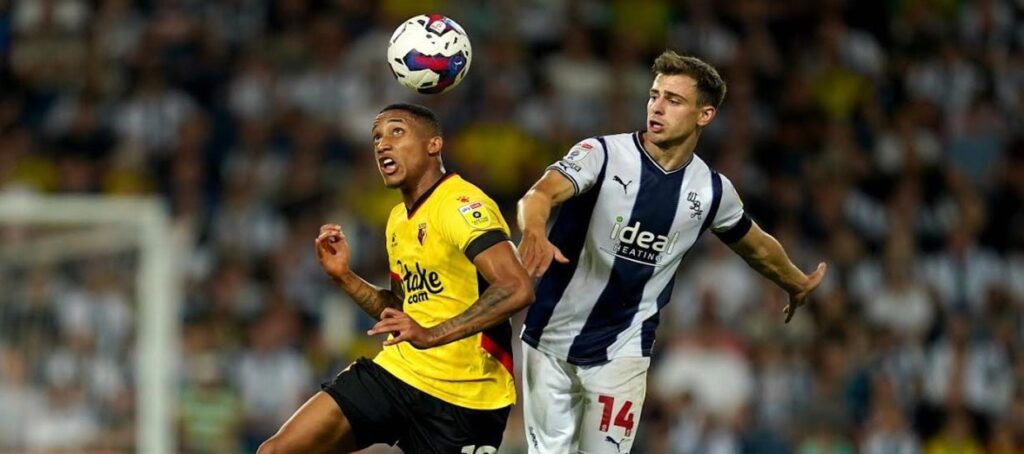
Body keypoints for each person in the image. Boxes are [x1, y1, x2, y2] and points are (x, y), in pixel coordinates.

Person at [516, 51, 828, 453]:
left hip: (623, 350)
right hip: (549, 339)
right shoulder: (602, 154)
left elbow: (758, 247)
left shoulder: (711, 191)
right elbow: (540, 194)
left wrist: (796, 282)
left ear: (705, 115)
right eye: (654, 96)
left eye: (674, 100)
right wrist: (535, 230)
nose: (657, 107)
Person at [258, 103, 535, 454]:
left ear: (434, 144)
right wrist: (345, 277)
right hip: (399, 373)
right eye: (376, 137)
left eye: (397, 132)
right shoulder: (398, 220)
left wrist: (432, 334)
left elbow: (516, 287)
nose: (382, 144)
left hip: (467, 397)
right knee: (277, 450)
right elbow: (403, 311)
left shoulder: (461, 204)